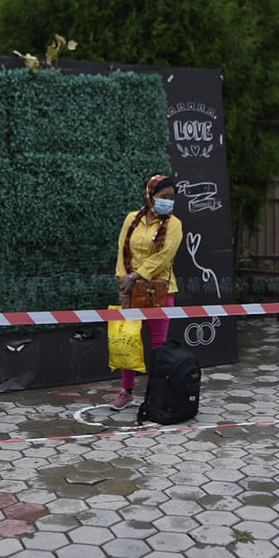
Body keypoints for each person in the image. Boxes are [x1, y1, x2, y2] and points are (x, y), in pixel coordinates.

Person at [110, 174, 183, 410]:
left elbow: (164, 257)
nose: (168, 202)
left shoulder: (174, 224)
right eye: (164, 196)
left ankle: (156, 392)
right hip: (131, 289)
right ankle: (127, 391)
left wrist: (137, 275)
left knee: (158, 344)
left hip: (160, 290)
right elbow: (122, 250)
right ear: (150, 196)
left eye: (172, 198)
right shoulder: (132, 219)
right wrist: (123, 282)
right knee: (128, 340)